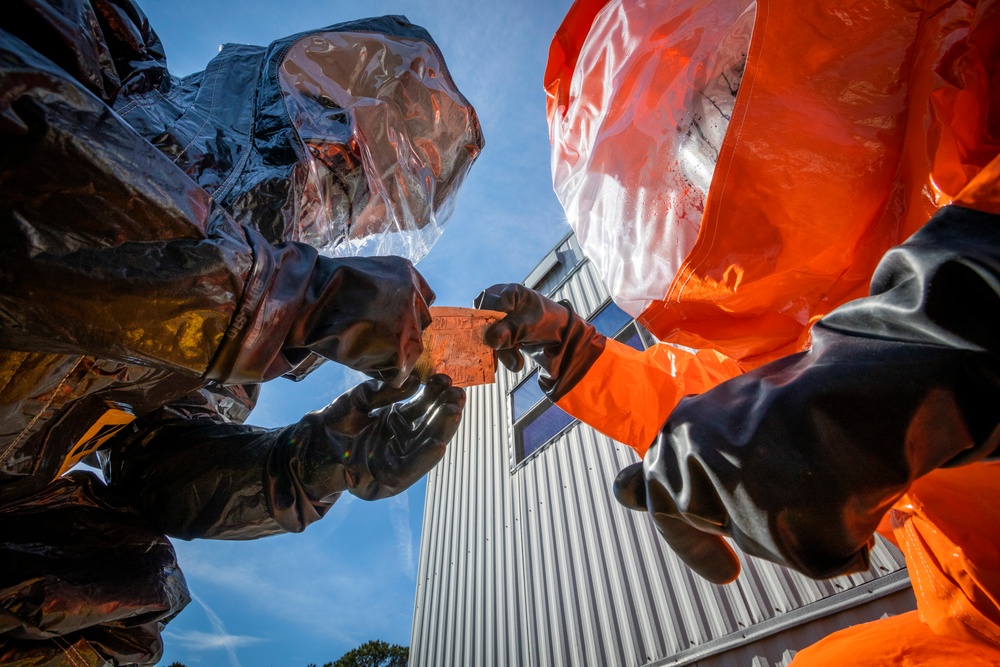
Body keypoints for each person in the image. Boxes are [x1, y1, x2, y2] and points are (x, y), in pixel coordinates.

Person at [477, 0, 999, 663]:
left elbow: (970, 285)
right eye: (681, 131)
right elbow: (712, 407)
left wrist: (864, 401)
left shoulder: (973, 93)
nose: (703, 141)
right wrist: (570, 348)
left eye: (728, 81)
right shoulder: (802, 290)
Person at [0, 1, 484, 664]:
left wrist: (316, 460)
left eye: (372, 190)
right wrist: (295, 303)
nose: (343, 158)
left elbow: (159, 467)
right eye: (355, 127)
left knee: (113, 588)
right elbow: (29, 155)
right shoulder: (108, 47)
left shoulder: (247, 305)